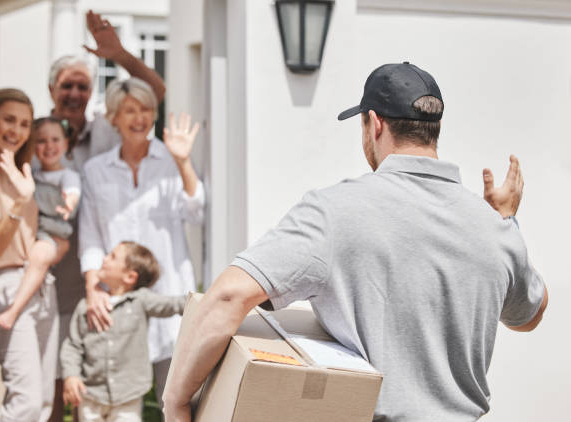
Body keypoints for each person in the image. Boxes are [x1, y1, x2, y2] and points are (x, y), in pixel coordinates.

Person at [162, 62, 548, 422]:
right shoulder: (493, 227)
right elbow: (530, 313)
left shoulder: (335, 211)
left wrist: (177, 401)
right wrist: (505, 219)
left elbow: (228, 296)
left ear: (374, 124)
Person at [44, 10, 167, 421]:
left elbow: (153, 92)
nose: (75, 93)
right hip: (57, 267)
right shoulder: (42, 137)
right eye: (67, 86)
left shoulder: (104, 129)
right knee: (58, 365)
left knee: (105, 359)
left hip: (105, 267)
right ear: (52, 90)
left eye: (83, 85)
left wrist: (120, 55)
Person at [79, 77, 204, 414]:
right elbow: (90, 237)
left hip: (170, 295)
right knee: (114, 405)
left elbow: (196, 211)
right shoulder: (95, 171)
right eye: (130, 110)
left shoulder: (172, 161)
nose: (139, 117)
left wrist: (183, 162)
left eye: (146, 109)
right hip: (117, 301)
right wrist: (94, 289)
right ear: (114, 118)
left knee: (177, 399)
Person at [0, 88, 59, 422]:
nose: (16, 130)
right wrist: (19, 202)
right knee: (25, 403)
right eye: (9, 120)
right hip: (8, 284)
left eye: (25, 123)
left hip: (43, 285)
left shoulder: (27, 171)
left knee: (43, 403)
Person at [61, 241, 186, 422]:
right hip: (91, 394)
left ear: (129, 277)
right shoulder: (87, 306)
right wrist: (71, 375)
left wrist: (210, 299)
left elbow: (171, 305)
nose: (104, 259)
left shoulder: (140, 300)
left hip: (128, 394)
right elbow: (73, 345)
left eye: (112, 256)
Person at [0, 116, 79, 331]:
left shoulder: (67, 175)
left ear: (66, 143)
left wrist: (68, 203)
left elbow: (73, 192)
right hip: (32, 230)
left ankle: (12, 312)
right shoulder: (32, 174)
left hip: (51, 232)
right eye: (41, 141)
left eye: (55, 139)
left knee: (39, 259)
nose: (49, 146)